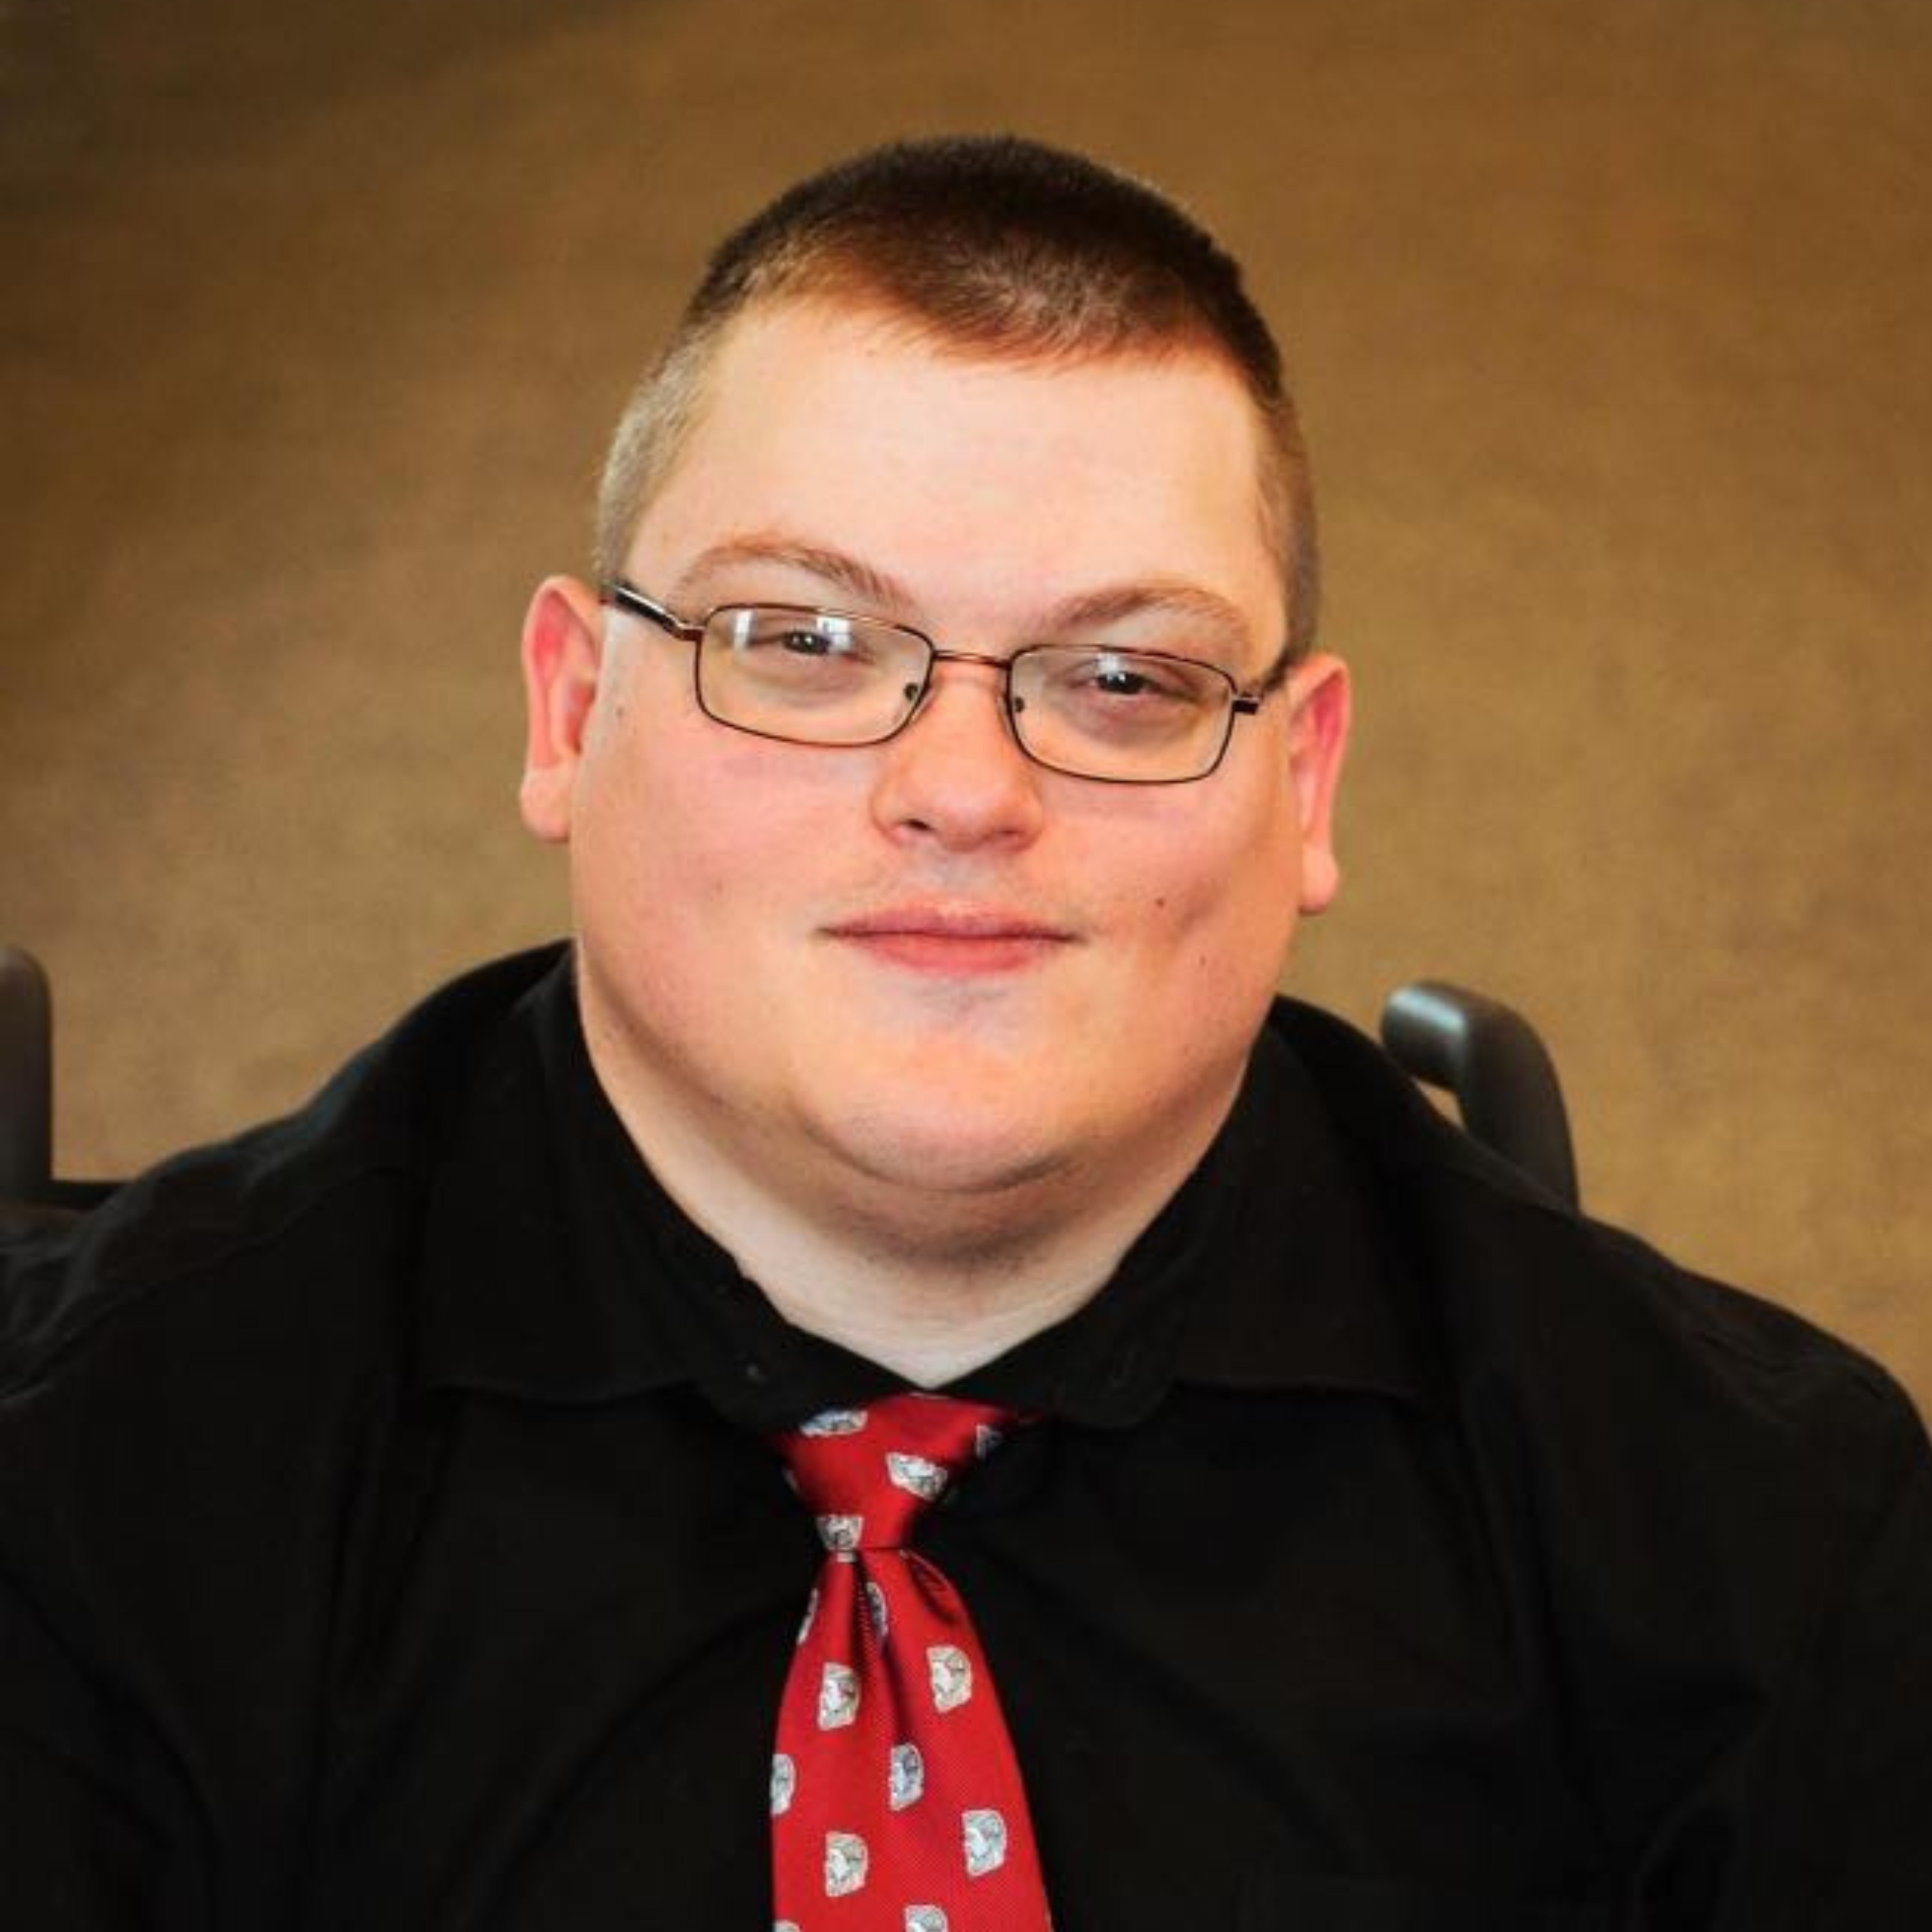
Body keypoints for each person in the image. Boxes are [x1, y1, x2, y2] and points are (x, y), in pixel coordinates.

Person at [1, 135, 1927, 1930]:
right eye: (805, 644)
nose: (963, 790)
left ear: (1304, 782)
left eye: (1124, 678)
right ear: (570, 711)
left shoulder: (1767, 1542)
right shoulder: (87, 1487)